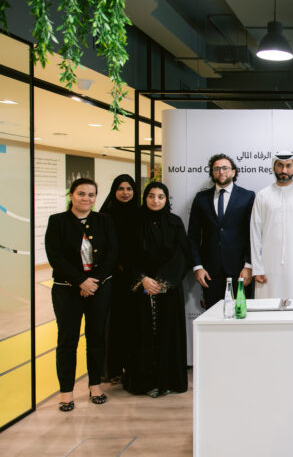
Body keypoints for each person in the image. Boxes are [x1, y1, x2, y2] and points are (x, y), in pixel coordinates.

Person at [44, 178, 118, 411]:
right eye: (81, 194)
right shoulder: (57, 221)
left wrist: (93, 282)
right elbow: (55, 256)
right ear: (71, 195)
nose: (86, 198)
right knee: (68, 340)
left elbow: (113, 252)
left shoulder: (104, 220)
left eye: (91, 195)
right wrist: (80, 281)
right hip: (67, 290)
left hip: (99, 287)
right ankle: (66, 391)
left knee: (96, 338)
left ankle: (95, 385)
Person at [124, 182, 191, 397]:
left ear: (166, 199)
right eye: (151, 196)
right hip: (141, 288)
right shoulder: (134, 222)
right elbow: (127, 255)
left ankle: (168, 380)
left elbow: (182, 254)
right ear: (145, 198)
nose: (155, 200)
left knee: (168, 333)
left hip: (168, 288)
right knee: (142, 334)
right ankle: (145, 382)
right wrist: (143, 279)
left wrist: (162, 281)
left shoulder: (174, 222)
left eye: (160, 197)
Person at [188, 153, 255, 309]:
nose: (221, 172)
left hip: (240, 271)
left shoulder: (248, 196)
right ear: (212, 172)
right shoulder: (201, 198)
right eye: (217, 169)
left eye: (225, 168)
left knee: (240, 315)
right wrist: (198, 267)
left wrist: (249, 265)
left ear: (233, 171)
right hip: (210, 272)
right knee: (213, 316)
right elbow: (193, 236)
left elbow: (253, 234)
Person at [250, 151, 293, 298]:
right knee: (268, 304)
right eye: (280, 165)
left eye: (288, 166)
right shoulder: (262, 195)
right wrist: (257, 268)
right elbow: (255, 234)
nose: (284, 170)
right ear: (274, 167)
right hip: (268, 265)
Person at [99, 174, 140, 384]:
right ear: (114, 191)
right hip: (112, 277)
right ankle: (112, 369)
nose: (125, 193)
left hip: (135, 277)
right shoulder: (104, 215)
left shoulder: (140, 214)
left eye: (129, 189)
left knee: (133, 323)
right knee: (113, 324)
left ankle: (132, 368)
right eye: (121, 189)